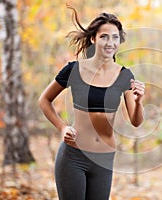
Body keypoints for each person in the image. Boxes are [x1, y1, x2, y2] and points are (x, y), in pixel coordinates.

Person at [38, 6, 145, 200]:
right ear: (93, 39)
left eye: (115, 37)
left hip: (104, 159)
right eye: (104, 36)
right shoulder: (73, 70)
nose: (110, 42)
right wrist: (62, 127)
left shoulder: (124, 75)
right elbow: (44, 100)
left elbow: (136, 121)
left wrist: (138, 102)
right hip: (73, 156)